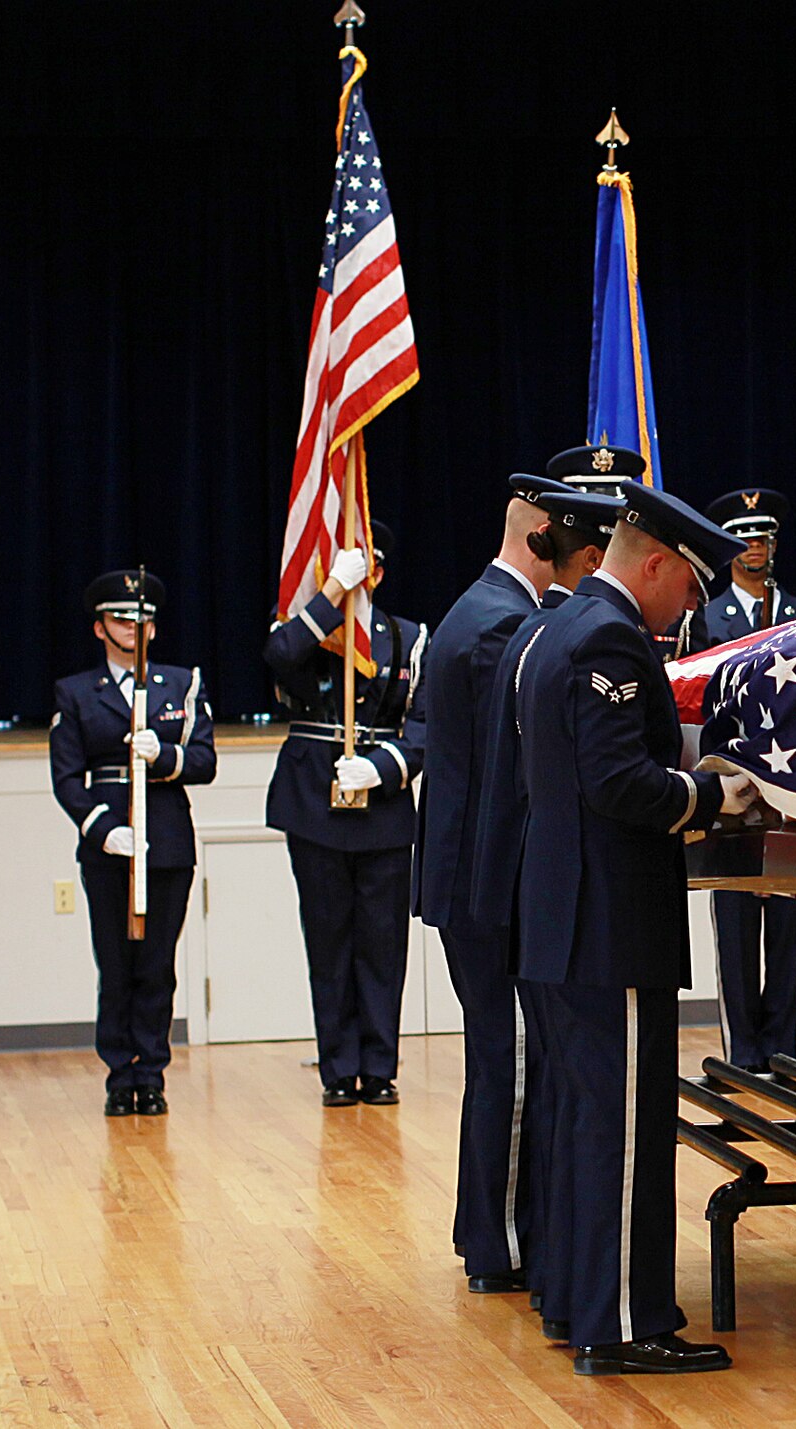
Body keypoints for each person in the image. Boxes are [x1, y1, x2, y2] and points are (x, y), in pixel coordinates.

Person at [514, 479, 756, 1373]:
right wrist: (709, 793)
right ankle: (623, 1325)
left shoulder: (558, 628)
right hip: (606, 928)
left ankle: (583, 1301)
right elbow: (618, 784)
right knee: (621, 1131)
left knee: (584, 1124)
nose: (690, 606)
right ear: (654, 564)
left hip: (567, 921)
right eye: (688, 587)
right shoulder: (611, 637)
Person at [470, 485, 622, 1347]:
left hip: (524, 893)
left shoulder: (521, 627)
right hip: (560, 902)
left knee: (546, 1088)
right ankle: (535, 1263)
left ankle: (544, 1270)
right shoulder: (530, 630)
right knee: (551, 1089)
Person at [414, 476, 560, 1295]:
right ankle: (500, 1240)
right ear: (539, 536)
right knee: (505, 1060)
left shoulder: (477, 608)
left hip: (471, 877)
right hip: (486, 882)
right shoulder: (503, 621)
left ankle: (494, 1231)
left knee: (498, 1057)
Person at [264, 524, 427, 1108]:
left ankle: (379, 1067)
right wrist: (330, 594)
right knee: (329, 941)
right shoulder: (307, 626)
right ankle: (338, 1068)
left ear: (378, 572)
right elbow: (280, 657)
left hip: (380, 807)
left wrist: (384, 768)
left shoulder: (408, 637)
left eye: (365, 568)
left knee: (383, 945)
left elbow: (428, 727)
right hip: (314, 802)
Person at [50, 571, 216, 1116]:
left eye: (142, 619)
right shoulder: (75, 693)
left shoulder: (180, 685)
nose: (134, 628)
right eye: (122, 619)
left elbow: (204, 762)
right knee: (116, 963)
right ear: (100, 628)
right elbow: (67, 777)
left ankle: (152, 1072)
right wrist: (102, 828)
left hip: (166, 840)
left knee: (157, 964)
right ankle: (119, 1075)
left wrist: (163, 757)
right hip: (110, 844)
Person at [690, 488, 796, 1074]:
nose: (755, 548)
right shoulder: (703, 621)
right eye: (744, 538)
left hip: (794, 795)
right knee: (737, 930)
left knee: (793, 928)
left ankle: (784, 1050)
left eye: (763, 537)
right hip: (732, 793)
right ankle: (741, 1054)